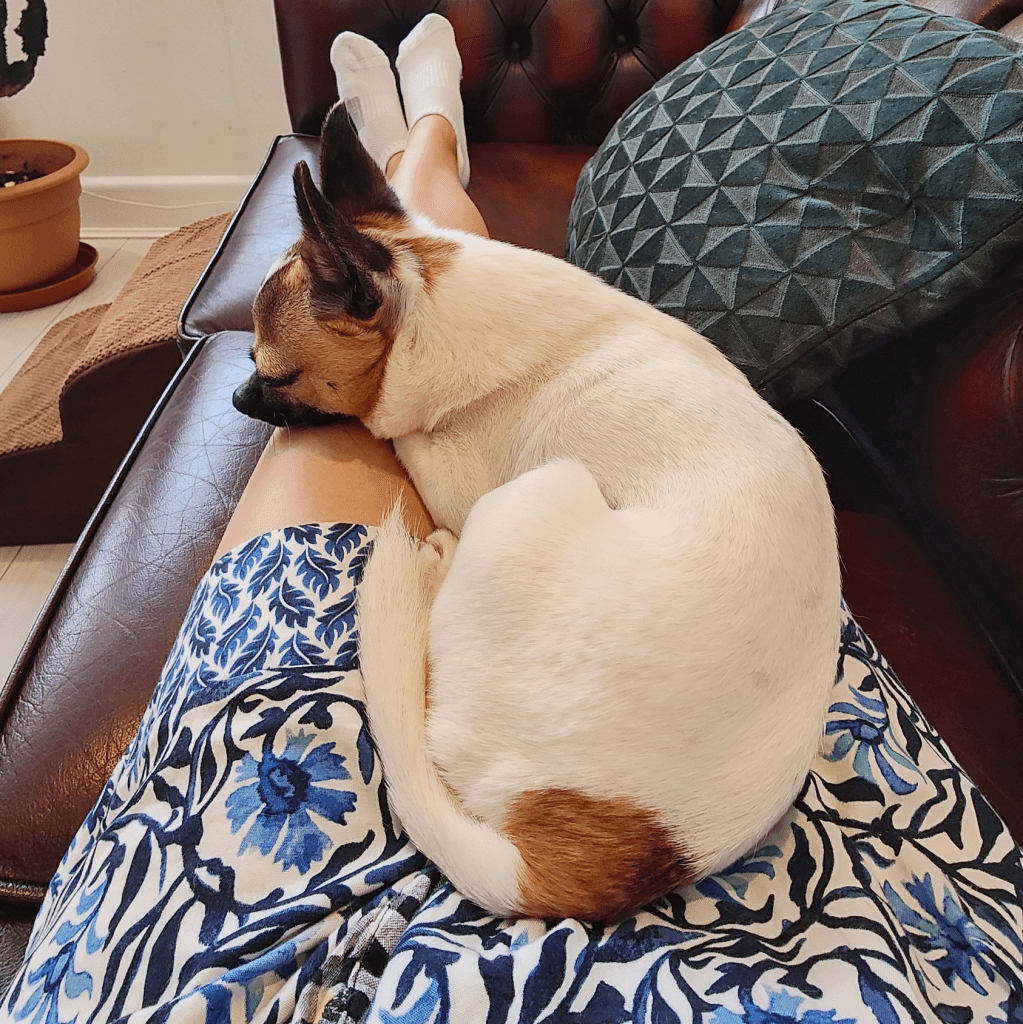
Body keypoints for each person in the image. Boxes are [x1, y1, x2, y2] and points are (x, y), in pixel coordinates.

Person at [2, 15, 1021, 1024]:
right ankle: (425, 147)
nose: (257, 398)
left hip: (563, 768)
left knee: (450, 406)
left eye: (281, 378)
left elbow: (461, 469)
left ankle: (424, 148)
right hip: (700, 742)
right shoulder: (597, 358)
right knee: (441, 270)